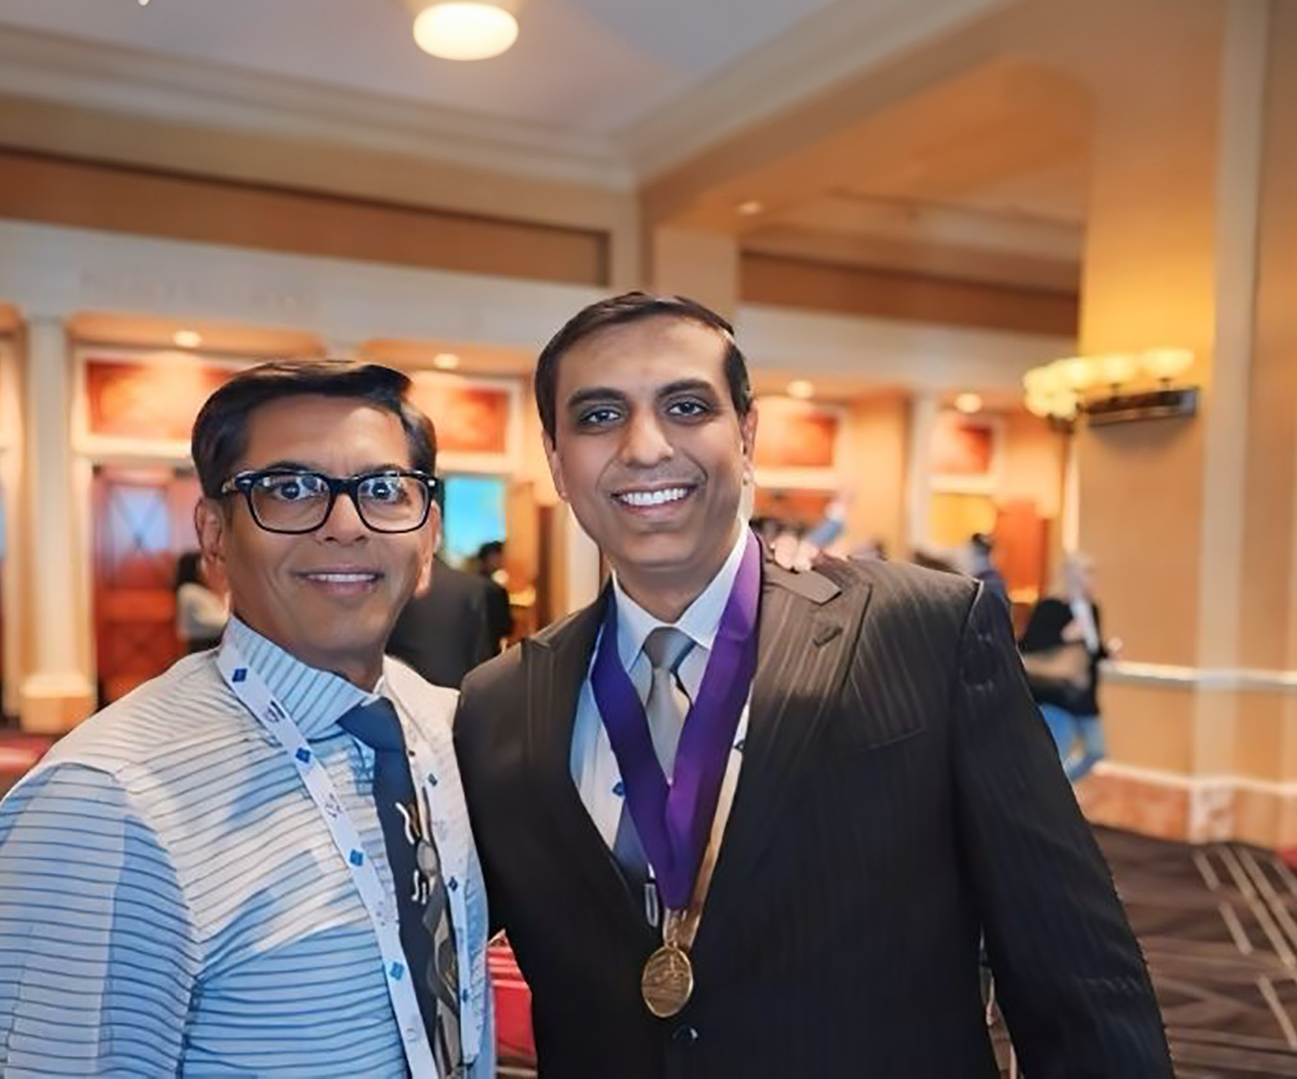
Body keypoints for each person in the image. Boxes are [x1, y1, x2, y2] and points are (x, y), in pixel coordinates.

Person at [453, 293, 1169, 1076]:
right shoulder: (498, 706)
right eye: (597, 417)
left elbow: (1075, 972)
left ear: (747, 434)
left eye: (687, 406)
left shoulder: (923, 631)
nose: (645, 446)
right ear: (556, 460)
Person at [0, 361, 493, 1076]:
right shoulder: (104, 804)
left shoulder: (454, 730)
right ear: (214, 535)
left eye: (382, 490)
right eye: (290, 489)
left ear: (426, 537)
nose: (344, 525)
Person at [1021, 554, 1119, 784]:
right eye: (1087, 573)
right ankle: (1049, 800)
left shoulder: (1092, 608)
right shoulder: (1051, 606)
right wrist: (1064, 635)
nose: (1093, 579)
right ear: (1071, 577)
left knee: (1096, 750)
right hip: (1055, 693)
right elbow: (1029, 645)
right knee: (1056, 755)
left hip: (1083, 693)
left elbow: (1091, 648)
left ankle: (1058, 793)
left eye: (1093, 573)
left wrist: (1108, 653)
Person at [389, 553, 499, 689]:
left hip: (399, 691)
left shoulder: (387, 584)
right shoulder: (473, 587)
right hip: (458, 691)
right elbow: (481, 651)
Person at [173, 549, 228, 653]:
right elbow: (212, 621)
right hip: (203, 644)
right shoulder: (190, 591)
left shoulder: (212, 592)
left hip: (216, 643)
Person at [474, 540, 514, 649]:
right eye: (500, 556)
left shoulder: (469, 585)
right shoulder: (494, 589)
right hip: (490, 648)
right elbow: (506, 627)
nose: (503, 560)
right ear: (490, 557)